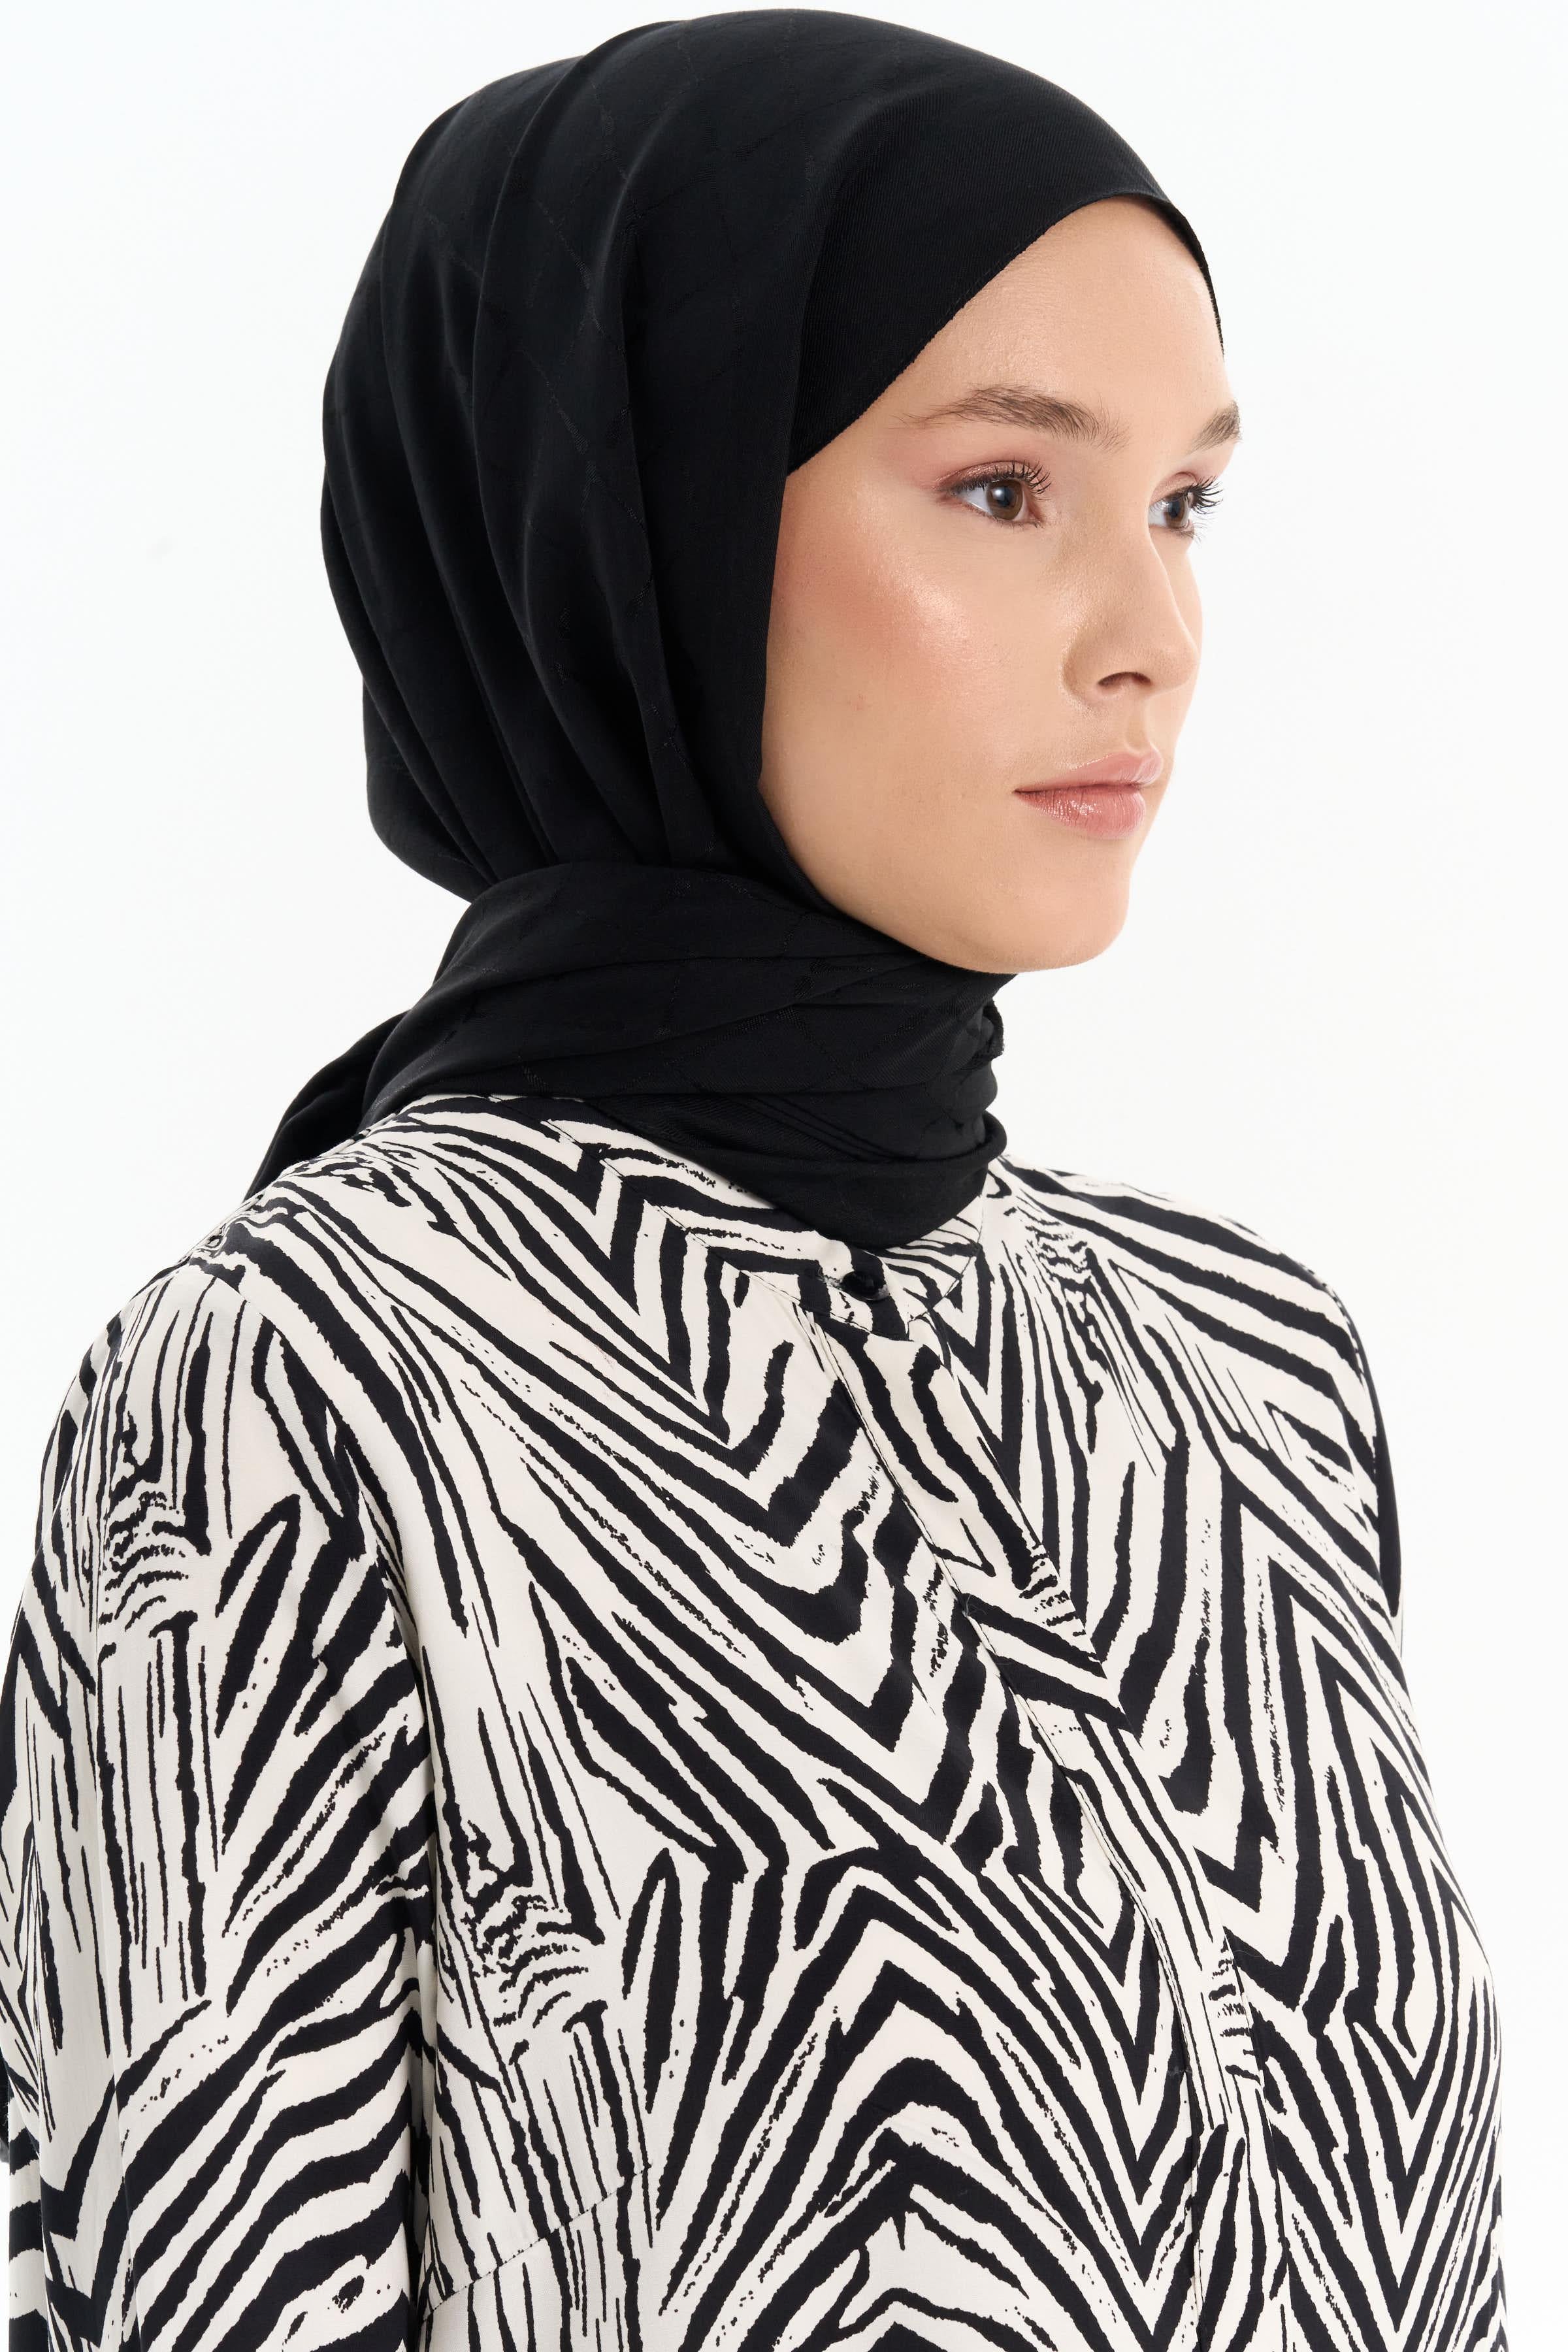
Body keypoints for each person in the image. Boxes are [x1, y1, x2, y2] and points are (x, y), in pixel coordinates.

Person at [0, 12, 1504, 2349]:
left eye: (1185, 506)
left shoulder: (1252, 1372)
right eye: (1004, 489)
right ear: (643, 527)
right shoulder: (297, 1392)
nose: (1154, 641)